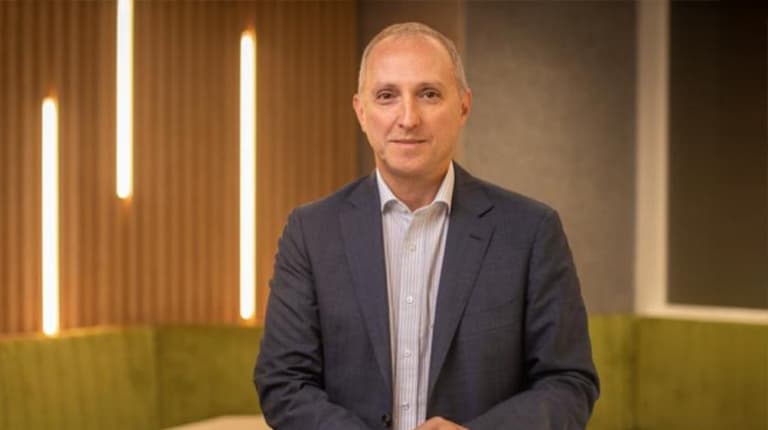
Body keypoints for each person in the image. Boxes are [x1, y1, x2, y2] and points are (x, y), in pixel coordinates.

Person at [254, 22, 599, 430]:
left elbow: (568, 383)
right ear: (361, 112)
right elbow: (284, 382)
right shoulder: (311, 233)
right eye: (387, 96)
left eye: (429, 94)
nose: (408, 118)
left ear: (464, 106)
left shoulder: (531, 231)